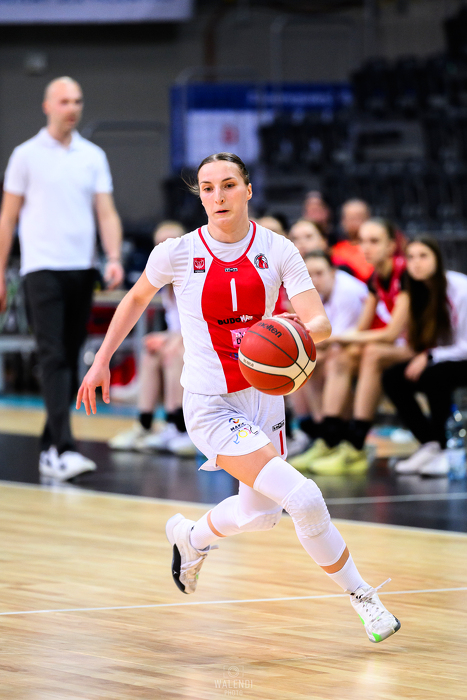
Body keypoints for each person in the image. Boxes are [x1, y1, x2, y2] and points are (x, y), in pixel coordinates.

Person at [77, 152, 401, 644]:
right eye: (207, 188)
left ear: (248, 190)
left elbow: (319, 322)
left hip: (263, 397)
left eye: (228, 185)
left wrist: (288, 328)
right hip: (211, 403)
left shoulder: (278, 249)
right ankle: (363, 597)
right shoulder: (177, 252)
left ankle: (191, 537)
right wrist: (102, 359)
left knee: (260, 514)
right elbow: (136, 298)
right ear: (200, 196)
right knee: (304, 497)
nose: (218, 196)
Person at [0, 76, 124, 481]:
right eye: (65, 101)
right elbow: (7, 217)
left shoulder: (92, 155)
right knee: (52, 355)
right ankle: (63, 447)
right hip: (41, 269)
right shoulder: (25, 155)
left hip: (81, 269)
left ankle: (50, 445)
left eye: (78, 100)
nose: (73, 107)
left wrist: (112, 257)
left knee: (70, 358)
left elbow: (105, 211)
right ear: (47, 106)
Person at [292, 219, 412, 474]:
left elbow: (391, 334)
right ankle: (329, 439)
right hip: (389, 345)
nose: (366, 248)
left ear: (392, 246)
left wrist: (338, 339)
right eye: (363, 241)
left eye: (374, 241)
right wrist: (343, 341)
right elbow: (362, 329)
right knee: (339, 357)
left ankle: (355, 444)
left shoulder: (404, 273)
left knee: (368, 354)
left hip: (421, 346)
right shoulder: (375, 278)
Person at [109, 220, 195, 456]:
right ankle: (145, 424)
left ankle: (179, 427)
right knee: (152, 351)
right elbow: (178, 327)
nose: (165, 250)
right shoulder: (167, 285)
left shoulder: (194, 278)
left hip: (210, 345)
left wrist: (172, 340)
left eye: (170, 243)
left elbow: (202, 326)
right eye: (159, 245)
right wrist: (165, 337)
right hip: (186, 341)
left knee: (172, 353)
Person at [383, 237, 467, 476]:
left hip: (460, 356)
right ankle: (429, 444)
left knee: (434, 376)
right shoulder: (417, 292)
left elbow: (465, 345)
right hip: (445, 357)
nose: (416, 263)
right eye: (410, 257)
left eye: (423, 256)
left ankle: (445, 449)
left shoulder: (460, 288)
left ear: (437, 259)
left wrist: (430, 355)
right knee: (393, 378)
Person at [289, 251, 368, 461]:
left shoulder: (346, 292)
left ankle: (334, 439)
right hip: (349, 344)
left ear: (333, 272)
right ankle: (321, 436)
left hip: (370, 343)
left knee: (331, 361)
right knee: (308, 362)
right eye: (309, 275)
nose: (314, 279)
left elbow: (337, 339)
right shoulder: (318, 292)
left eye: (319, 273)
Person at [332, 199, 373, 282]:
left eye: (359, 217)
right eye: (350, 218)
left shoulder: (376, 247)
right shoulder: (336, 250)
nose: (354, 222)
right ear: (343, 221)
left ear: (369, 219)